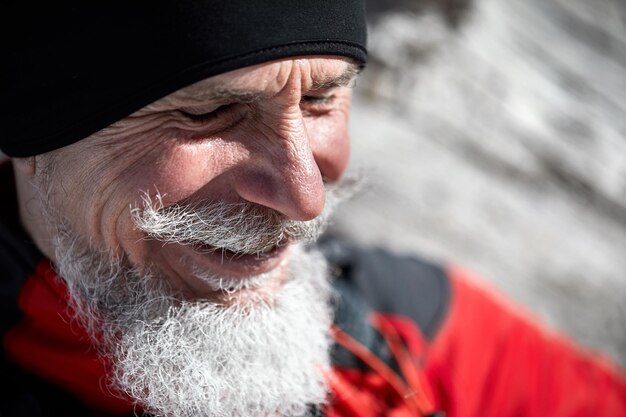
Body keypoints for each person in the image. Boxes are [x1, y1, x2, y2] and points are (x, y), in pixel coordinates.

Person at [1, 1, 624, 417]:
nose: (305, 196)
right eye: (205, 113)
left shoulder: (407, 321)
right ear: (34, 135)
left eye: (323, 99)